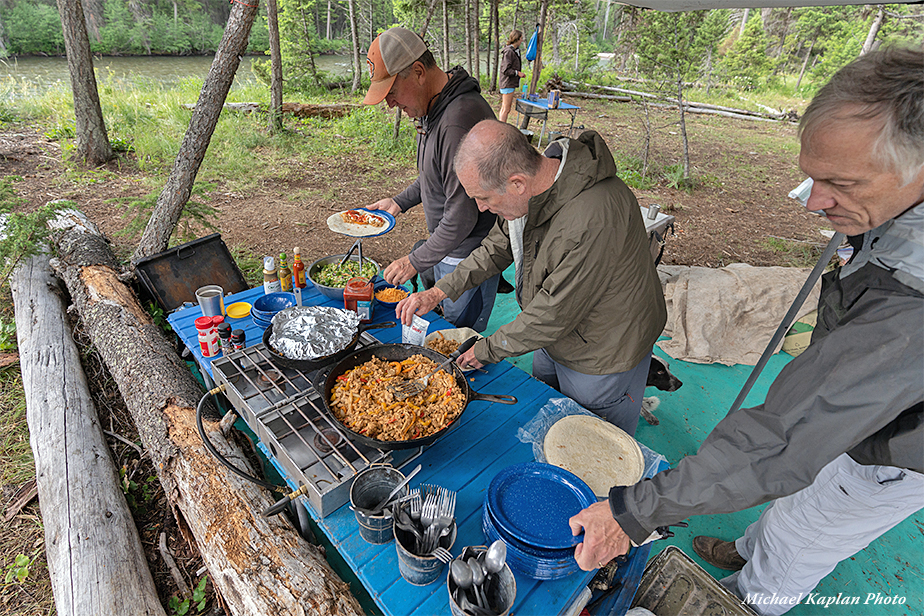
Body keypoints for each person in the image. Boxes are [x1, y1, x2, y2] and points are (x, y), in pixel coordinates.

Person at [568, 47, 924, 616]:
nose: (817, 204)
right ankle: (744, 549)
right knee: (794, 501)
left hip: (892, 456)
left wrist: (633, 514)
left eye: (841, 183)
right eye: (812, 179)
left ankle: (750, 601)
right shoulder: (898, 207)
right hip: (859, 421)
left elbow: (784, 439)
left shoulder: (913, 305)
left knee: (802, 539)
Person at [396, 120, 667, 436]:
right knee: (548, 409)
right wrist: (441, 291)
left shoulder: (592, 220)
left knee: (592, 437)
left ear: (516, 183)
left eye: (484, 199)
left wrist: (486, 350)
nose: (481, 209)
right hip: (556, 333)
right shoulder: (535, 192)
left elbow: (554, 314)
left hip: (604, 349)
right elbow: (498, 246)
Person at [362, 27, 500, 332]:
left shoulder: (456, 122)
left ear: (419, 72)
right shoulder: (435, 107)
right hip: (446, 246)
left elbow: (463, 215)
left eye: (393, 92)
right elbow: (434, 176)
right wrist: (399, 202)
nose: (390, 104)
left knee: (454, 335)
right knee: (441, 321)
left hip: (466, 253)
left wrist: (413, 261)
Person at [498, 29, 526, 123]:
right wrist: (517, 73)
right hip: (507, 83)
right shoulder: (509, 52)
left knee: (505, 108)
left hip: (509, 83)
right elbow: (505, 70)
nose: (522, 40)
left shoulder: (514, 50)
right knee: (506, 109)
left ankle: (501, 126)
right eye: (521, 38)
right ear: (517, 39)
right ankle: (501, 129)